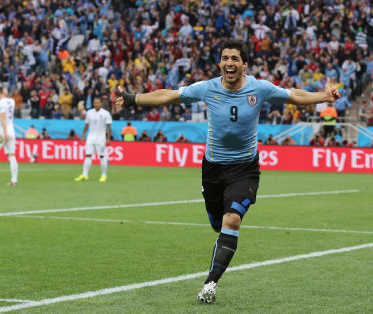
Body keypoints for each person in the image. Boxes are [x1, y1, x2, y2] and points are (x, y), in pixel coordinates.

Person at [114, 40, 339, 303]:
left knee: (231, 220)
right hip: (212, 169)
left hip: (245, 168)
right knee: (216, 224)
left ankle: (210, 283)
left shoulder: (260, 87)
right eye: (225, 58)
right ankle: (218, 236)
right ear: (220, 63)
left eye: (235, 59)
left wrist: (323, 97)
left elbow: (293, 95)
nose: (229, 63)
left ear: (245, 64)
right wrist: (133, 99)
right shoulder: (207, 88)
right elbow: (169, 94)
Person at [74, 97, 112, 182]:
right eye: (95, 103)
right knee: (88, 155)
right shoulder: (89, 112)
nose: (96, 104)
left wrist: (108, 138)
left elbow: (109, 127)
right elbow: (86, 125)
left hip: (101, 138)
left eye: (98, 103)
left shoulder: (106, 113)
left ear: (101, 104)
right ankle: (84, 175)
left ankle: (103, 175)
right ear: (93, 103)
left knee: (102, 156)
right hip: (90, 137)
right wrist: (83, 136)